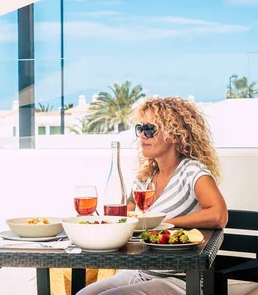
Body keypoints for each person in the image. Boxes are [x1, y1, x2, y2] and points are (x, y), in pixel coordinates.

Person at [77, 96, 227, 295]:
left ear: (175, 135)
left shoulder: (191, 171)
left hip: (181, 279)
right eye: (141, 129)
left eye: (150, 129)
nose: (142, 136)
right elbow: (124, 219)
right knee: (83, 294)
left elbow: (219, 215)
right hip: (142, 271)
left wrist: (165, 224)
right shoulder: (145, 180)